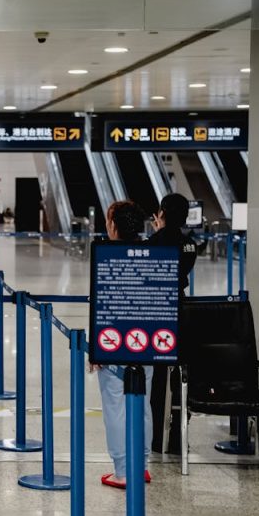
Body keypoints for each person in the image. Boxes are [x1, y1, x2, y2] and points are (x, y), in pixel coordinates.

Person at [94, 200, 153, 490]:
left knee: (115, 404)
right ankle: (141, 467)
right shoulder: (154, 253)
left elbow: (104, 303)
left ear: (114, 225)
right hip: (151, 340)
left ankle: (122, 470)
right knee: (142, 404)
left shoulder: (108, 255)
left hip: (115, 341)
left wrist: (98, 347)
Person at [147, 193, 199, 454]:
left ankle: (158, 437)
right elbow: (178, 260)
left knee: (158, 377)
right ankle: (180, 436)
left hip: (158, 312)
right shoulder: (191, 245)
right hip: (182, 310)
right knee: (181, 376)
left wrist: (159, 233)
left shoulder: (153, 242)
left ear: (162, 213)